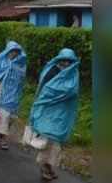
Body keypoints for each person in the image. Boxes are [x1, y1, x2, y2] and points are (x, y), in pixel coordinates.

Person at [29, 48, 80, 180]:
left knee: (56, 143)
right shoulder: (52, 71)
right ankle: (45, 167)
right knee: (48, 140)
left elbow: (73, 92)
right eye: (64, 60)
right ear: (59, 60)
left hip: (62, 113)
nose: (66, 64)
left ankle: (49, 166)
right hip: (48, 111)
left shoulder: (73, 74)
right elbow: (45, 91)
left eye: (69, 61)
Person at [0, 41, 27, 150]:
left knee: (10, 118)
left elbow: (21, 81)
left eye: (16, 52)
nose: (13, 53)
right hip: (1, 94)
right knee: (4, 116)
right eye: (12, 51)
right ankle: (3, 139)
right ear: (7, 51)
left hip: (14, 96)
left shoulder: (21, 65)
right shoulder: (2, 62)